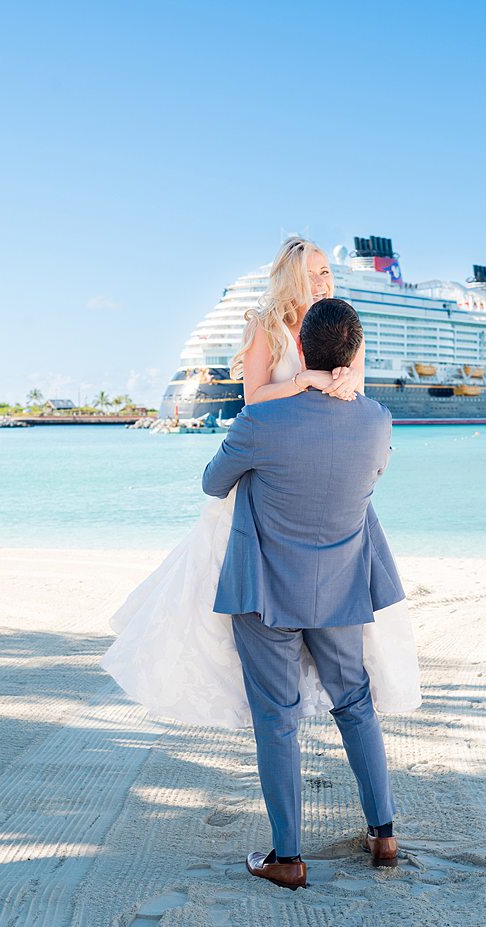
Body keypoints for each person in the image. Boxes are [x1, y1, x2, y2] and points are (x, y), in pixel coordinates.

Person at [100, 237, 420, 730]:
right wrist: (307, 382)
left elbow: (358, 391)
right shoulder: (265, 328)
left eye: (327, 272)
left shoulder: (344, 328)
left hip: (323, 475)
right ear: (289, 278)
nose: (323, 282)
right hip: (270, 472)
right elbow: (253, 400)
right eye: (313, 274)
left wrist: (343, 385)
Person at [202, 298, 404, 890]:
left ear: (303, 355)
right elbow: (372, 475)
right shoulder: (377, 420)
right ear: (353, 356)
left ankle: (287, 858)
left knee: (277, 717)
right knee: (355, 703)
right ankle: (384, 833)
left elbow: (214, 483)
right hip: (342, 586)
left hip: (266, 589)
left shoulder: (260, 422)